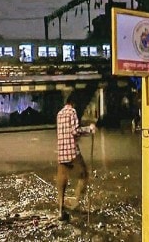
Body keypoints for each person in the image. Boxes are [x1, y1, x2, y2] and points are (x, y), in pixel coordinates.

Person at [56, 93, 95, 221]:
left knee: (62, 181)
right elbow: (75, 131)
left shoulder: (59, 114)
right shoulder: (72, 111)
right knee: (84, 174)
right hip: (72, 151)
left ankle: (61, 210)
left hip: (61, 152)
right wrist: (89, 129)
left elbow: (65, 132)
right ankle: (76, 202)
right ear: (73, 102)